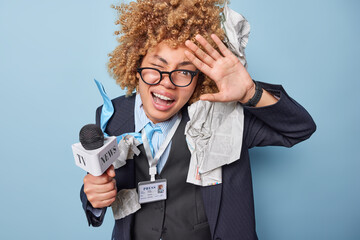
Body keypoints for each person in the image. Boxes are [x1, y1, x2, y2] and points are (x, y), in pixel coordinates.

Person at [80, 0, 316, 239]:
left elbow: (299, 129)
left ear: (199, 78)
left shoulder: (224, 117)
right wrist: (94, 197)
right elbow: (97, 183)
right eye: (156, 67)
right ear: (136, 64)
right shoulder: (111, 116)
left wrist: (250, 93)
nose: (167, 83)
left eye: (184, 71)